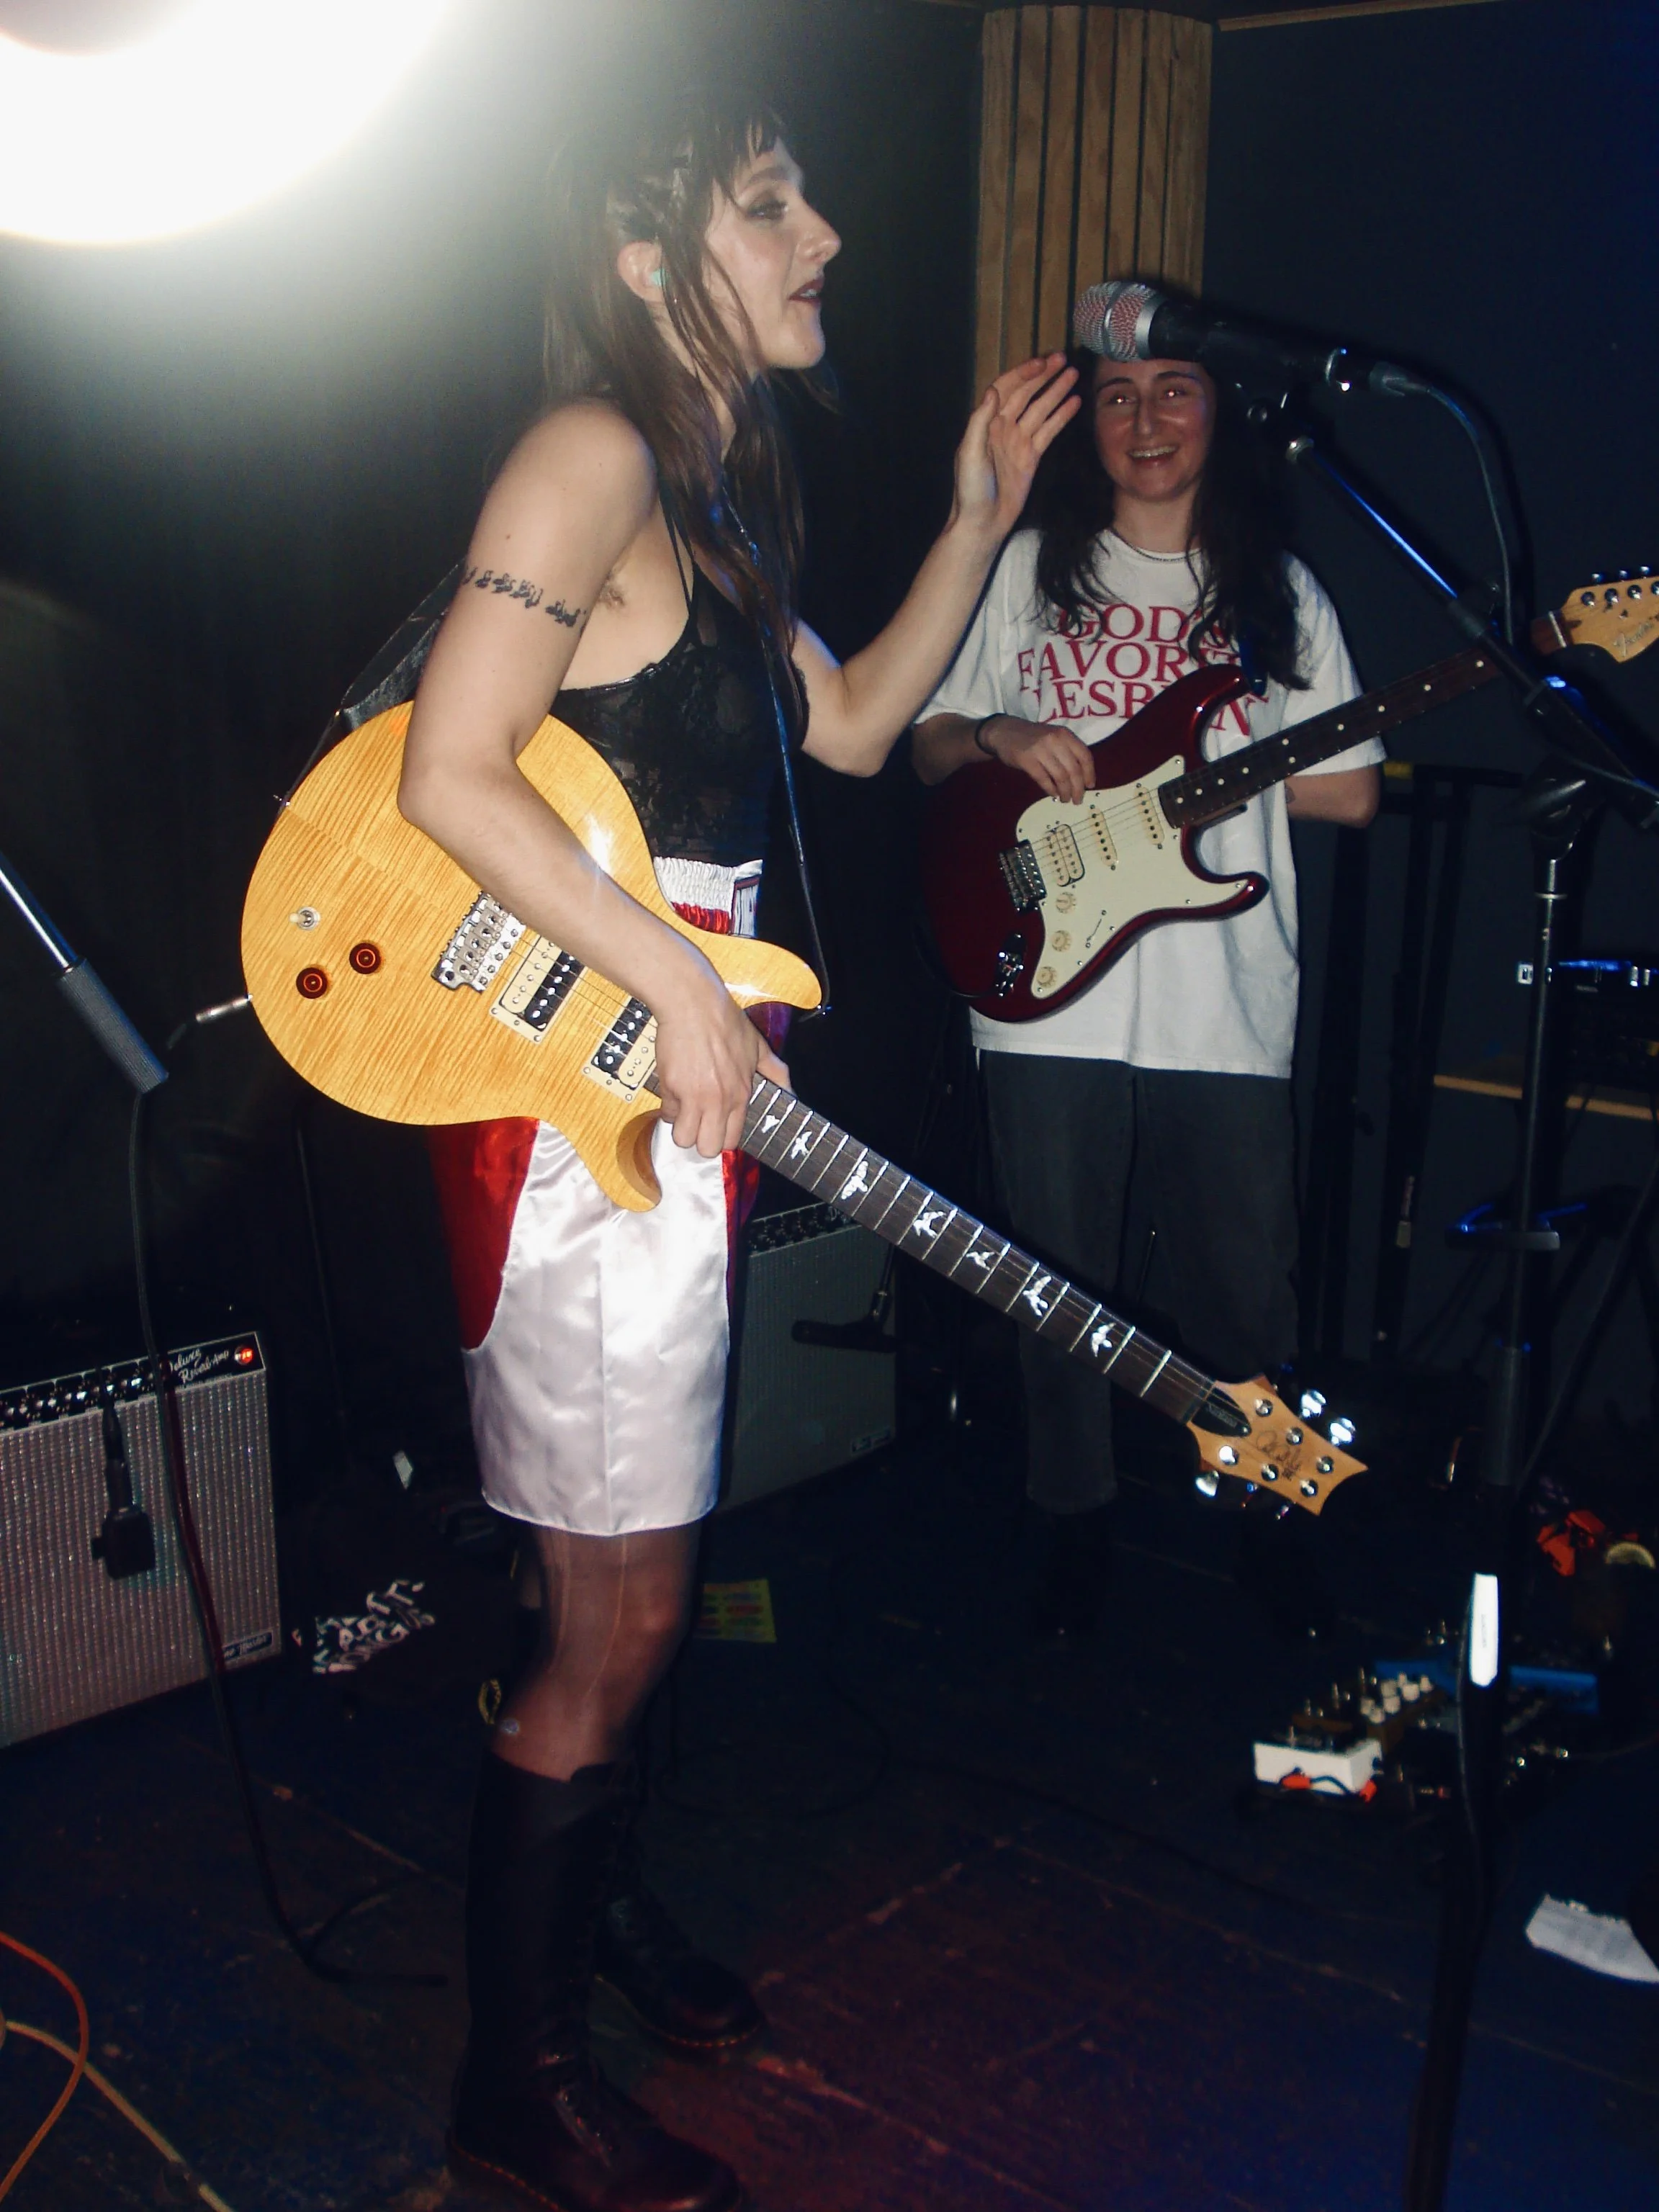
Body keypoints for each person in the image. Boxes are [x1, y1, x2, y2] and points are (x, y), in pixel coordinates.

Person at [397, 86, 1076, 2212]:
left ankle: (580, 1931)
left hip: (661, 1075)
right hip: (593, 1094)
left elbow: (860, 732)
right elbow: (446, 771)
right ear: (637, 251)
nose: (828, 239)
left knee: (617, 1583)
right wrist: (685, 983)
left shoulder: (706, 509)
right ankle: (513, 2083)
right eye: (772, 203)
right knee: (623, 1611)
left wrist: (971, 514)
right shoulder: (588, 454)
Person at [912, 313, 1382, 1641]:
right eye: (1118, 397)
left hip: (1223, 992)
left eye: (1174, 390)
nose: (1147, 420)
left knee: (1246, 1286)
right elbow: (928, 742)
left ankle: (1271, 1515)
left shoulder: (1281, 593)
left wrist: (1206, 778)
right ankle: (1072, 1525)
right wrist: (1002, 732)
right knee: (1053, 1284)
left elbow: (1350, 793)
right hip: (1042, 979)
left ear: (1220, 411)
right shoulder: (1022, 577)